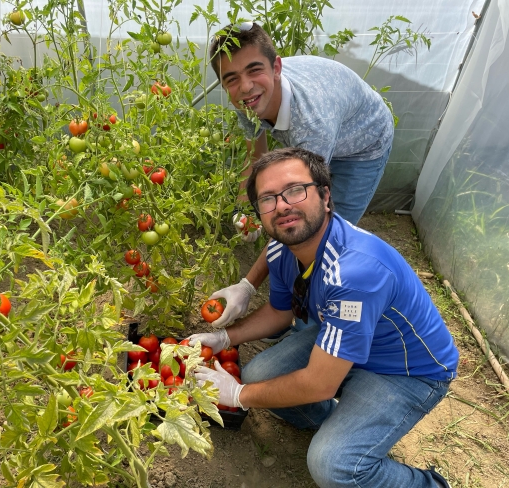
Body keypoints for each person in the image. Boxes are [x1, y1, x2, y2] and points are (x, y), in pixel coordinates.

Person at [190, 147, 458, 488]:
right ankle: (332, 422)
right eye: (268, 199)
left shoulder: (354, 274)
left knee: (333, 467)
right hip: (346, 338)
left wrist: (239, 396)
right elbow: (279, 311)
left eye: (294, 190)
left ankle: (428, 485)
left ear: (325, 196)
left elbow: (320, 383)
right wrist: (226, 338)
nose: (282, 205)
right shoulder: (281, 249)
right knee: (258, 373)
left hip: (406, 370)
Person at [207, 22, 395, 334]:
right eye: (232, 79)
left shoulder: (312, 123)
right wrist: (246, 208)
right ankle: (285, 310)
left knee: (323, 233)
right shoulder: (247, 99)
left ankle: (316, 323)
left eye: (254, 70)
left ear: (276, 66)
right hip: (332, 121)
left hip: (364, 143)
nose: (245, 86)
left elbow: (301, 213)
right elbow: (257, 155)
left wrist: (247, 285)